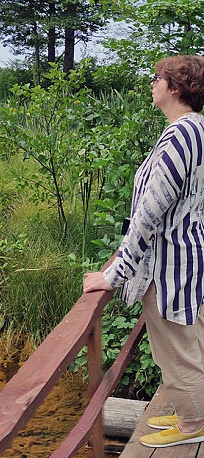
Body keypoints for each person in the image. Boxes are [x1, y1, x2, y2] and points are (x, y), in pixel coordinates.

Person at [83, 54, 204, 448]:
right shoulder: (196, 130)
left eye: (156, 78)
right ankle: (192, 414)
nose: (151, 84)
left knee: (177, 350)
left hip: (171, 267)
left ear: (175, 87)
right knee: (186, 343)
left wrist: (112, 275)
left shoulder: (182, 135)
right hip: (186, 259)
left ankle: (193, 425)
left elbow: (149, 214)